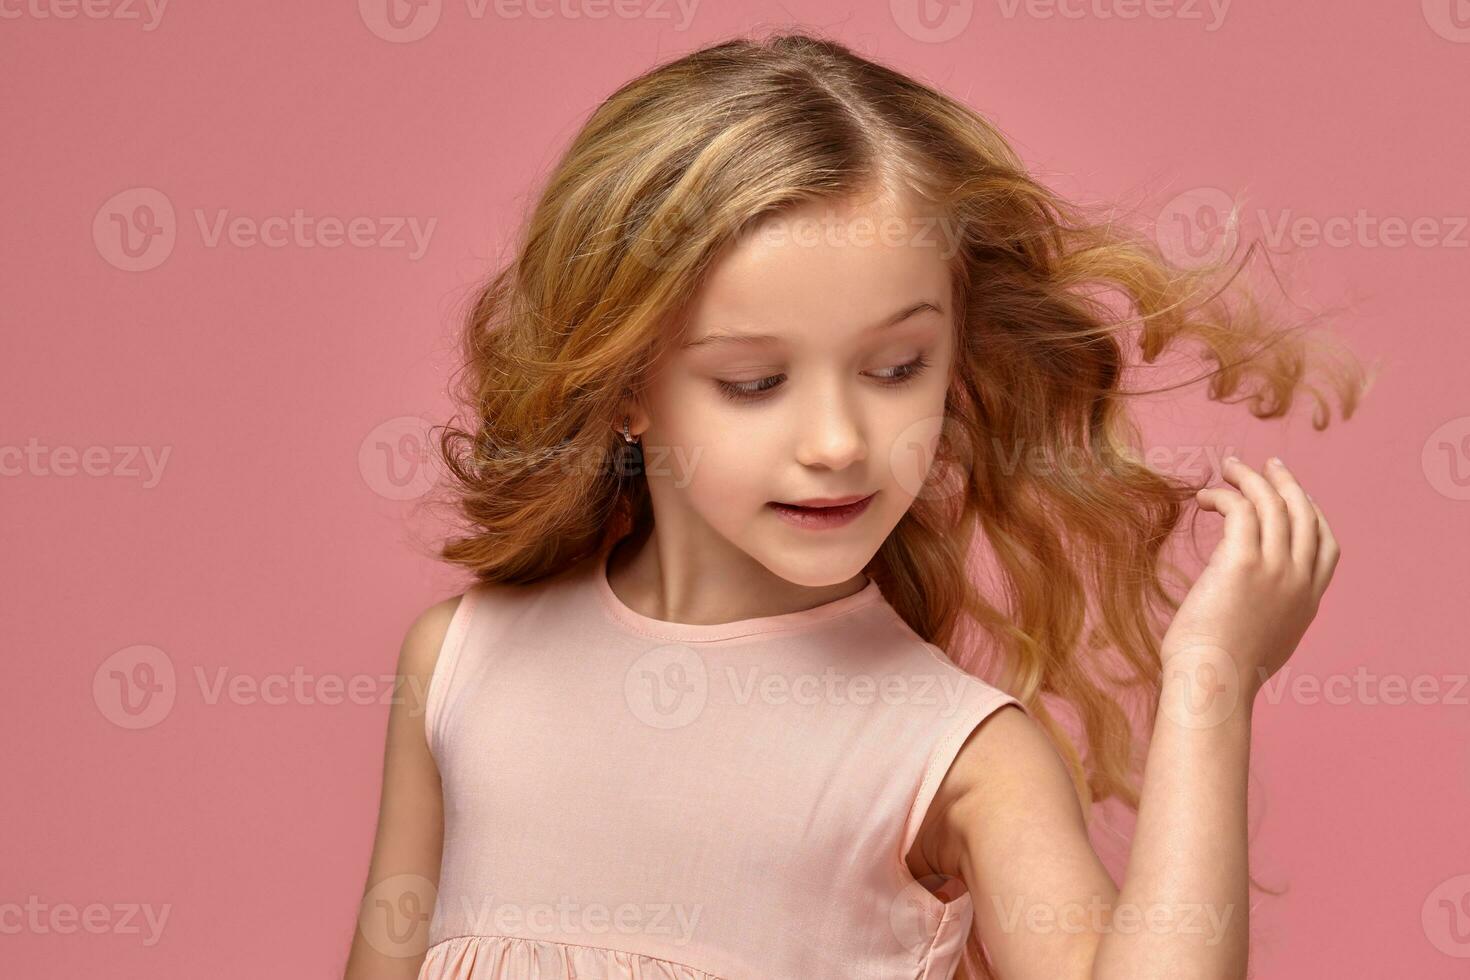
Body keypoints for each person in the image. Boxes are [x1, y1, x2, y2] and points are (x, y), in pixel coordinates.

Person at [343, 29, 1365, 980]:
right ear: (622, 388)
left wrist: (1211, 680)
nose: (837, 442)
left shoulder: (958, 754)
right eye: (753, 382)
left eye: (895, 366)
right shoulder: (459, 665)